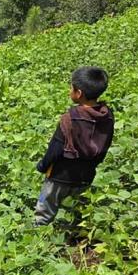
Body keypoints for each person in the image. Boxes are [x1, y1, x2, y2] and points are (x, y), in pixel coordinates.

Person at [34, 66, 115, 225]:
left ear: (79, 94)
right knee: (72, 207)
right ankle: (67, 234)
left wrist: (43, 165)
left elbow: (55, 149)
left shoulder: (70, 118)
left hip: (59, 175)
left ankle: (38, 231)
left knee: (45, 202)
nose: (69, 90)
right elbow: (105, 145)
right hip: (86, 175)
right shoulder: (107, 116)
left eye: (71, 87)